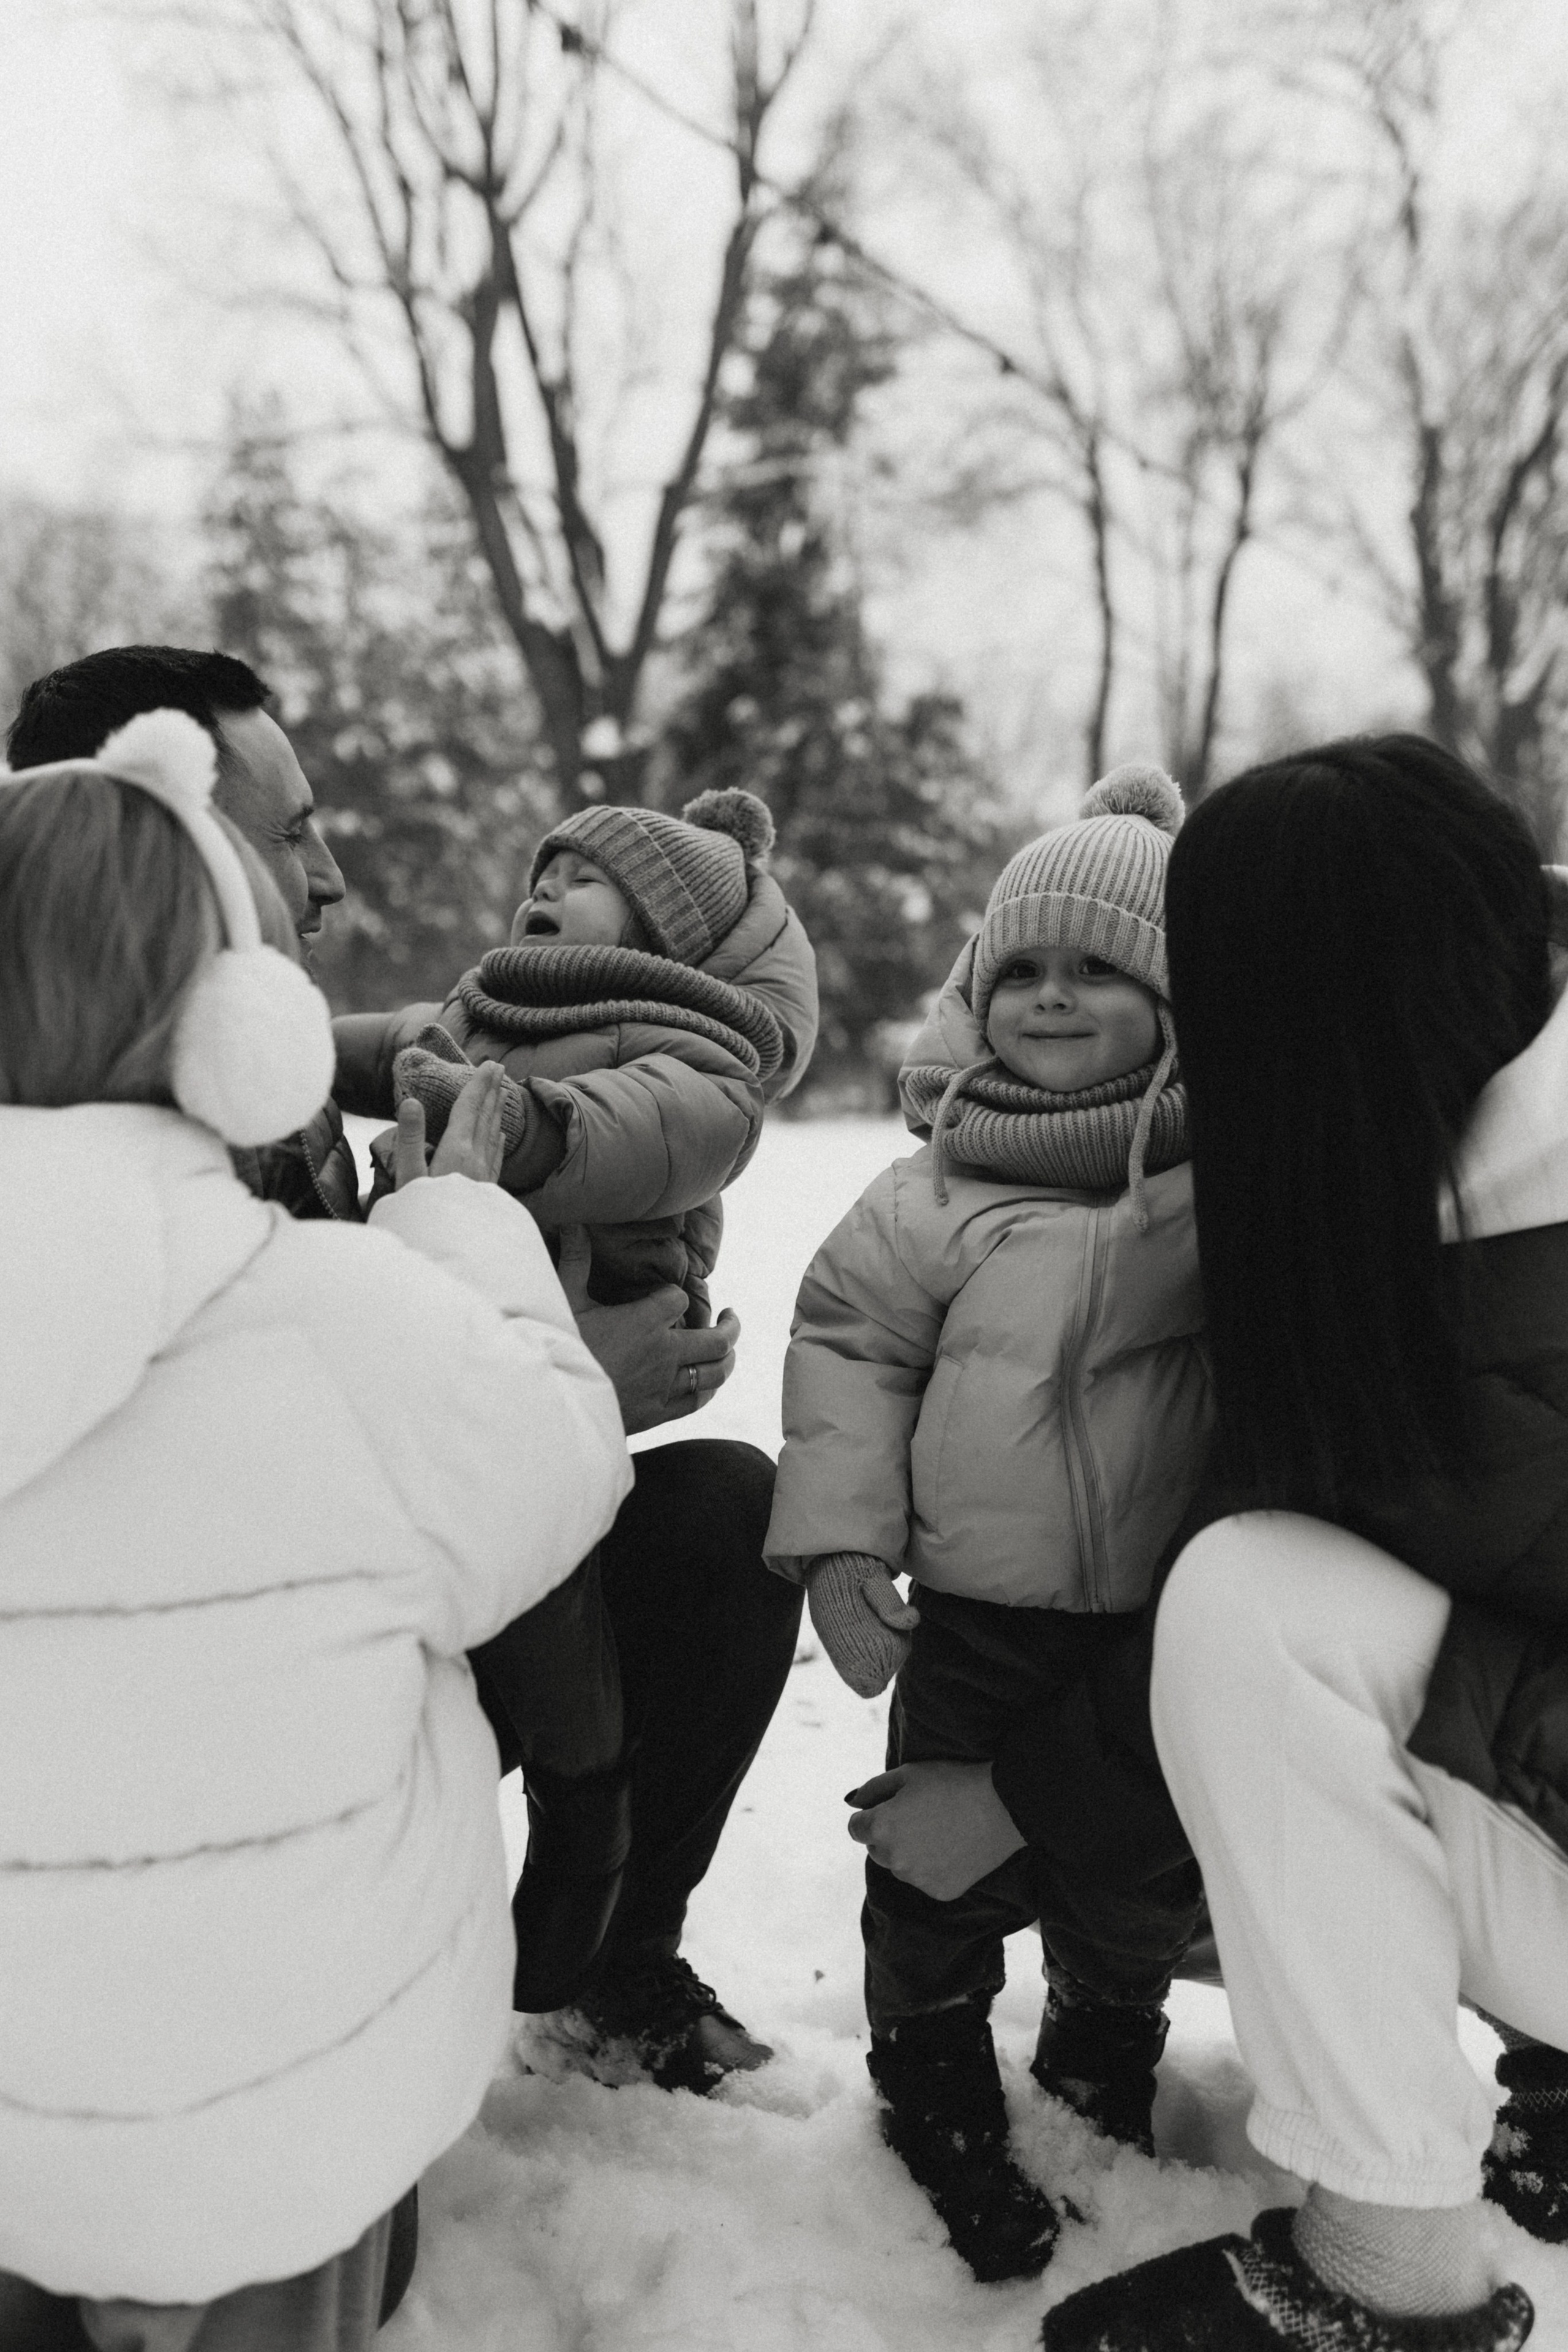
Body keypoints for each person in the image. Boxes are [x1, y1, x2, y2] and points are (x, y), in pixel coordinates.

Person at [7, 646, 813, 2094]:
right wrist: (553, 1378)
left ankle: (606, 1961)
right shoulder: (73, 1136)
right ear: (151, 832)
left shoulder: (271, 1072)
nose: (328, 884)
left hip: (385, 1593)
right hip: (193, 1727)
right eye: (287, 833)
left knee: (720, 1524)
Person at [0, 710, 631, 2350]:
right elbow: (559, 1475)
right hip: (276, 2143)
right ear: (245, 1024)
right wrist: (463, 1221)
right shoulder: (343, 1315)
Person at [1044, 736, 1566, 2352]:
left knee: (1258, 1610)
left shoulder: (1483, 1249)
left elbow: (1291, 1609)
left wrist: (1018, 1804)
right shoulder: (1436, 1139)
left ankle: (1389, 2268)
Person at [766, 769, 1211, 2283]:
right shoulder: (937, 1183)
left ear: (1176, 997)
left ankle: (1100, 2053)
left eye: (1098, 967)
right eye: (1017, 967)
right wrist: (837, 1540)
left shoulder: (1215, 1181)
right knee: (930, 1867)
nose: (1050, 995)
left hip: (1150, 1628)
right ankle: (934, 2068)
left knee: (1131, 1881)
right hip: (974, 1606)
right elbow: (846, 1348)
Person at [330, 784, 817, 2015]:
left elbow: (666, 1130)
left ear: (662, 936)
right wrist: (272, 1041)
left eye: (581, 878)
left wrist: (527, 1135)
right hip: (411, 1475)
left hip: (536, 1423)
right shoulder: (478, 1011)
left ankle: (613, 1932)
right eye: (539, 870)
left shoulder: (691, 1043)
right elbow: (381, 1045)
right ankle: (462, 1913)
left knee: (715, 1518)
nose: (541, 889)